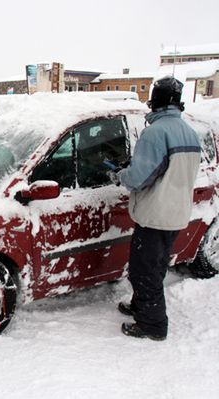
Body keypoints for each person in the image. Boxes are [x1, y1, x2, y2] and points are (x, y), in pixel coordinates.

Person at [108, 76, 201, 341]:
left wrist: (120, 174)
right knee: (156, 266)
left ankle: (152, 325)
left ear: (156, 100)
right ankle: (141, 306)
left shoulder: (156, 133)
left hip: (155, 214)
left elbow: (139, 178)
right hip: (176, 212)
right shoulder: (189, 132)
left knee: (143, 270)